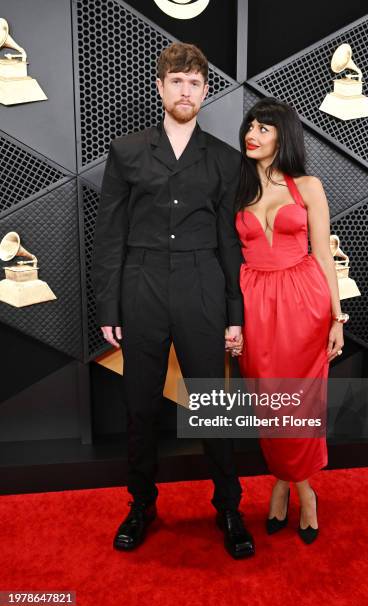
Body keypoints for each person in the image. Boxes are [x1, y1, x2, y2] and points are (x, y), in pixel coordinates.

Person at [91, 42, 255, 559]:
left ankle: (229, 507)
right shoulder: (127, 151)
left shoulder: (226, 160)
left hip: (203, 286)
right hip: (141, 286)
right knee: (140, 407)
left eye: (195, 83)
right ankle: (141, 505)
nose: (186, 91)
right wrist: (109, 308)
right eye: (177, 81)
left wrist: (235, 314)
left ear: (205, 92)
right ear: (160, 87)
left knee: (213, 404)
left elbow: (230, 242)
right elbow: (110, 236)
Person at [234, 98, 346, 544]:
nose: (253, 134)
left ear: (284, 136)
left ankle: (299, 491)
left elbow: (323, 255)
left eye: (264, 128)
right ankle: (289, 482)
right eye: (250, 126)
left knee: (300, 404)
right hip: (254, 304)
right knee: (268, 405)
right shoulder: (236, 188)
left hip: (304, 304)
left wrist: (336, 317)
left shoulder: (308, 186)